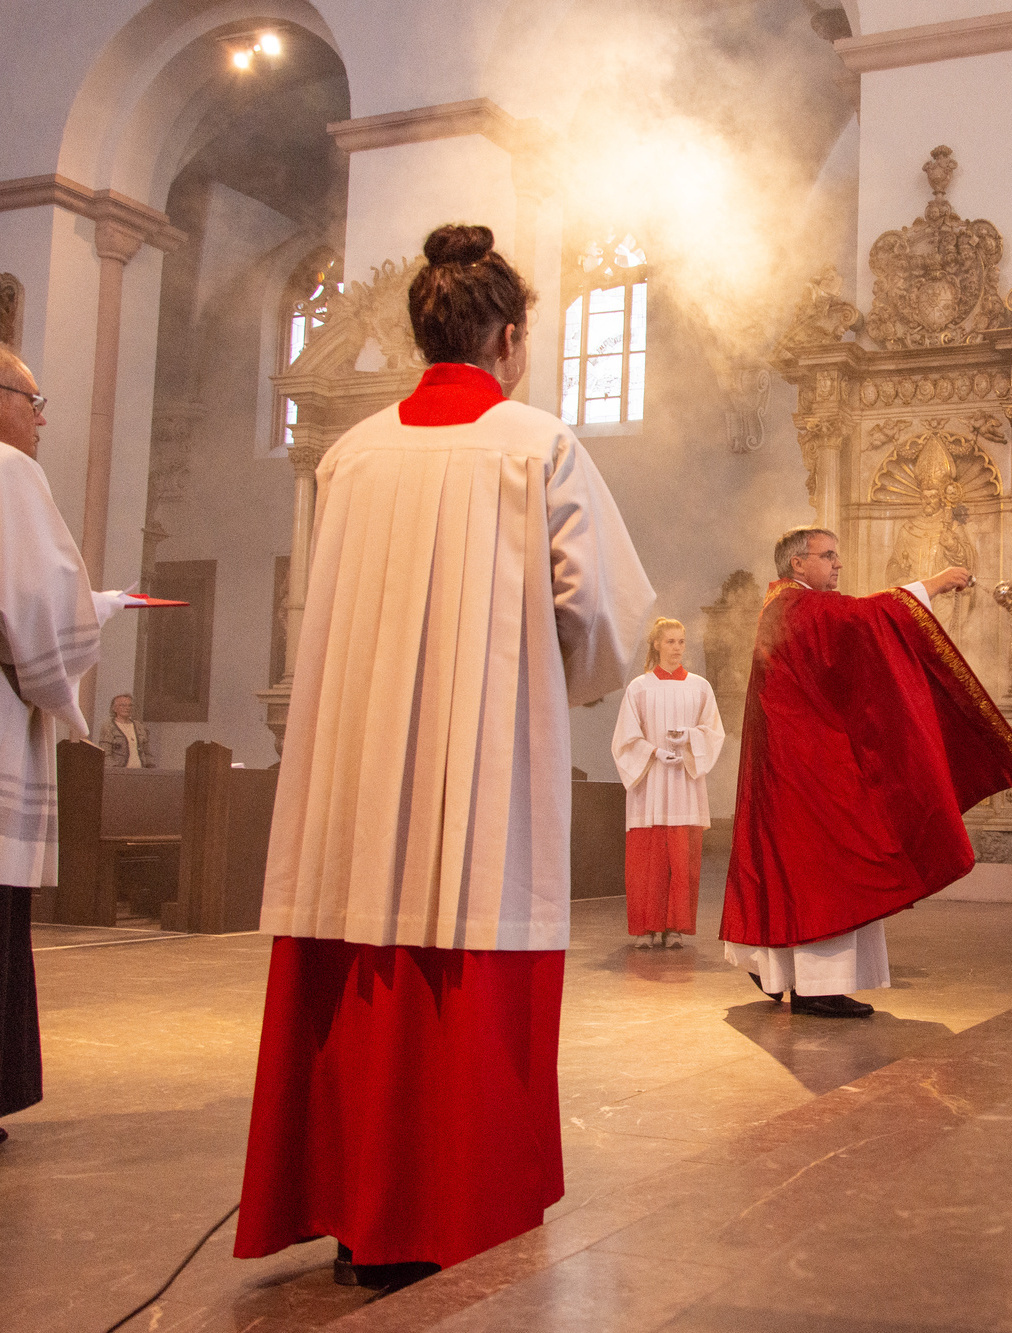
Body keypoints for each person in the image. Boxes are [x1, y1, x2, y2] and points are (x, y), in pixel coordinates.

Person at [235, 224, 655, 1288]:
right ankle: (441, 1207)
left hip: (353, 756)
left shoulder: (349, 454)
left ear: (424, 331)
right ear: (509, 339)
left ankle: (348, 1208)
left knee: (354, 944)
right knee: (467, 935)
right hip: (482, 748)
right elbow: (601, 612)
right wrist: (551, 672)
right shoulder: (536, 444)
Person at [721, 525, 1012, 1017]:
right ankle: (815, 986)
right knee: (834, 869)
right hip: (806, 774)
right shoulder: (795, 606)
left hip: (799, 767)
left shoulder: (788, 607)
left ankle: (782, 971)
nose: (838, 565)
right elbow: (862, 618)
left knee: (804, 870)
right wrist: (929, 585)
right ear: (797, 565)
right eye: (827, 557)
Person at [0, 348, 133, 1145]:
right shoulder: (9, 471)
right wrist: (93, 616)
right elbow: (42, 609)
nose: (42, 417)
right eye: (32, 398)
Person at [612, 617, 724, 949]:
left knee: (682, 857)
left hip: (685, 784)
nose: (677, 648)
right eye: (670, 642)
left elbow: (712, 732)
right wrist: (653, 753)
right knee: (648, 859)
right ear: (657, 644)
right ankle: (645, 927)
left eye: (681, 642)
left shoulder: (700, 686)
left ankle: (676, 926)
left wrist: (689, 737)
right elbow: (624, 739)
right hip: (651, 783)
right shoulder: (639, 687)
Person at [102, 693, 154, 768]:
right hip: (119, 773)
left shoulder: (139, 726)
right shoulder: (108, 727)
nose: (127, 708)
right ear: (114, 708)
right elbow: (106, 754)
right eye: (123, 705)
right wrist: (114, 769)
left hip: (140, 773)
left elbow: (147, 752)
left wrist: (150, 767)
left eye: (130, 705)